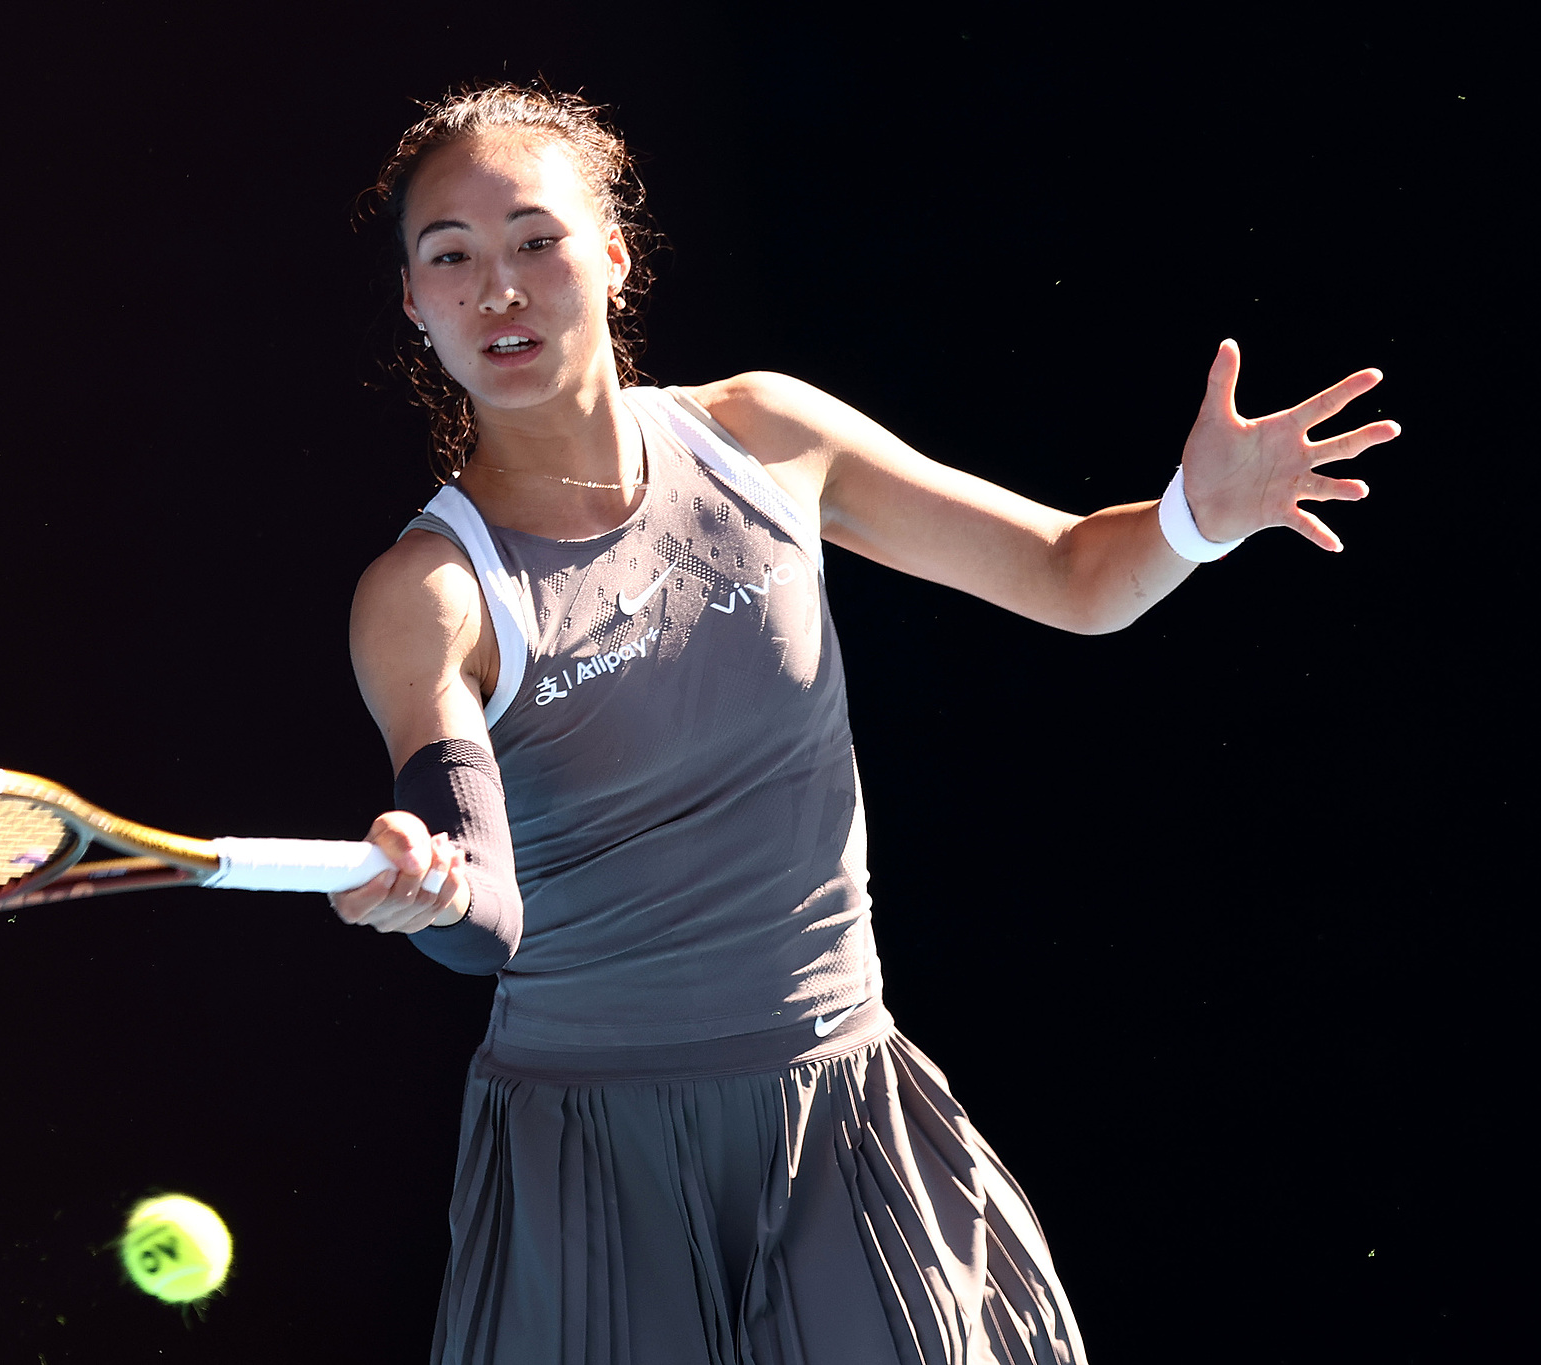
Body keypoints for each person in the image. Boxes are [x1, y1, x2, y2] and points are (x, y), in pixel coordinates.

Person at [326, 86, 1396, 1365]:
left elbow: (1068, 574)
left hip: (838, 1110)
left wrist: (1192, 519)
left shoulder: (767, 437)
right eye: (450, 258)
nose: (497, 290)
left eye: (533, 242)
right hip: (589, 1161)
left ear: (610, 256)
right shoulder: (427, 597)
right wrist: (430, 888)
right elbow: (485, 911)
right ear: (412, 300)